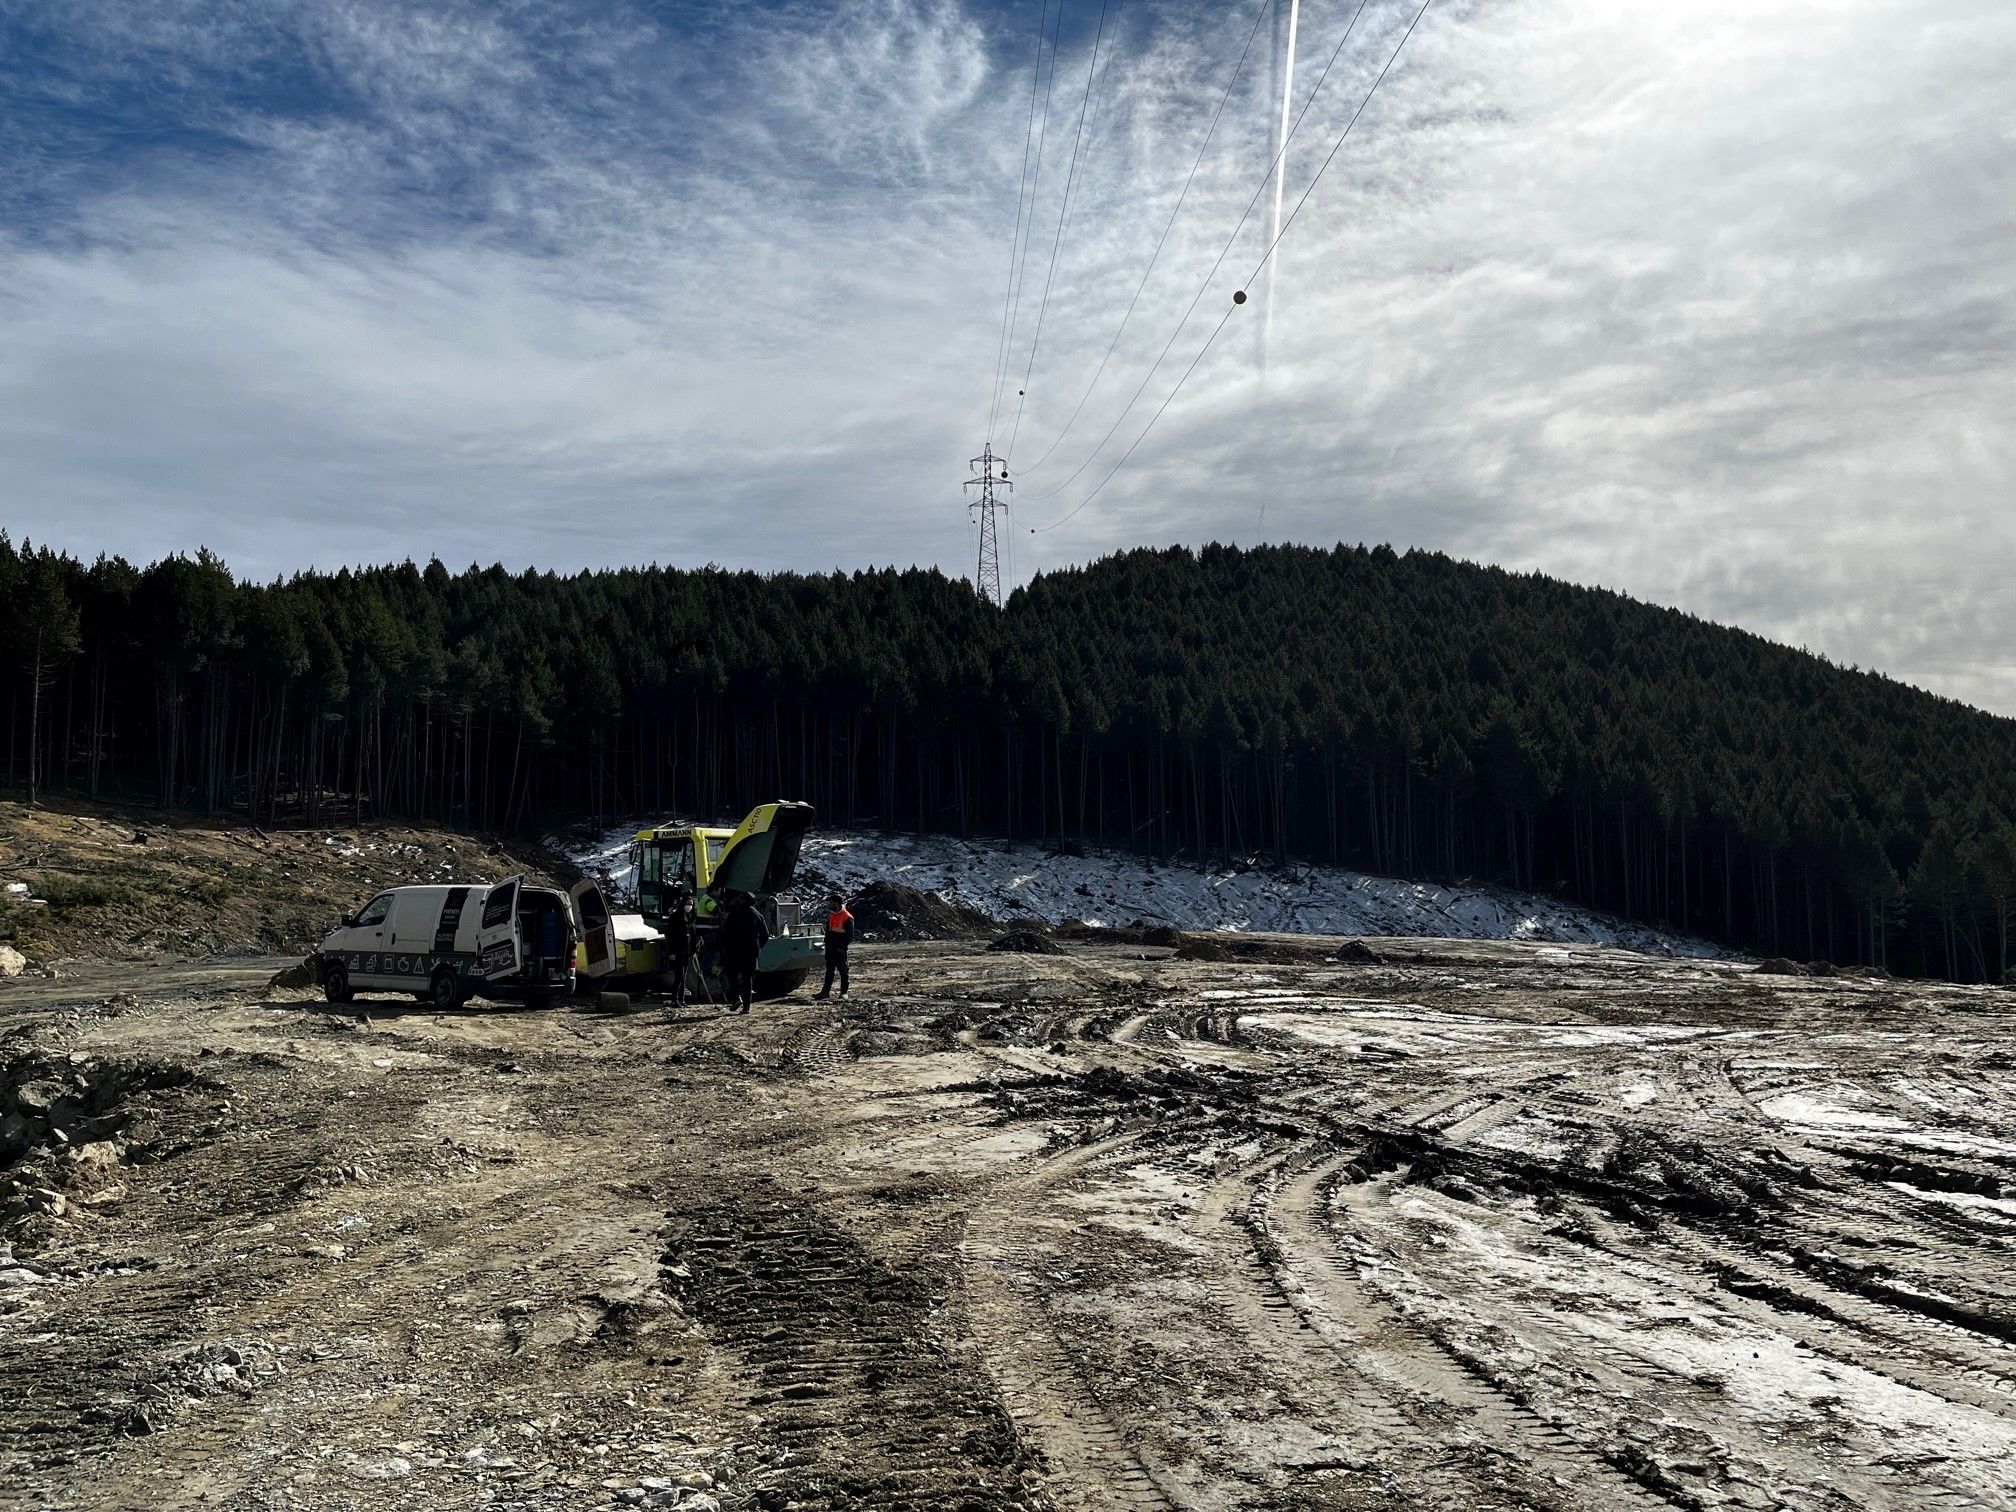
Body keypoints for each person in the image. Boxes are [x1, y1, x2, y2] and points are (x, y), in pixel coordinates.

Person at [720, 891, 769, 1014]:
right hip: (751, 950)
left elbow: (726, 933)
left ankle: (736, 998)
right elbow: (765, 934)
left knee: (732, 975)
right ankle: (746, 1007)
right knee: (747, 978)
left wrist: (725, 947)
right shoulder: (757, 915)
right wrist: (758, 947)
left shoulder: (734, 913)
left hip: (734, 949)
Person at [814, 892, 854, 1000]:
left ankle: (844, 993)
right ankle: (825, 992)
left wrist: (842, 948)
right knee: (829, 970)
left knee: (843, 970)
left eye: (831, 902)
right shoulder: (831, 915)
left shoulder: (847, 917)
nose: (829, 904)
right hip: (830, 948)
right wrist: (826, 943)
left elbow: (849, 936)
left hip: (840, 949)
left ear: (836, 903)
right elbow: (828, 931)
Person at [662, 886, 695, 1008]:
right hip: (678, 951)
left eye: (691, 904)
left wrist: (693, 949)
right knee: (679, 976)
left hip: (687, 951)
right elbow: (671, 936)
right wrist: (671, 952)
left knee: (683, 976)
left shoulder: (689, 917)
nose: (689, 906)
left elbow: (692, 934)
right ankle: (674, 999)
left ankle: (682, 999)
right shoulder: (676, 917)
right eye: (688, 904)